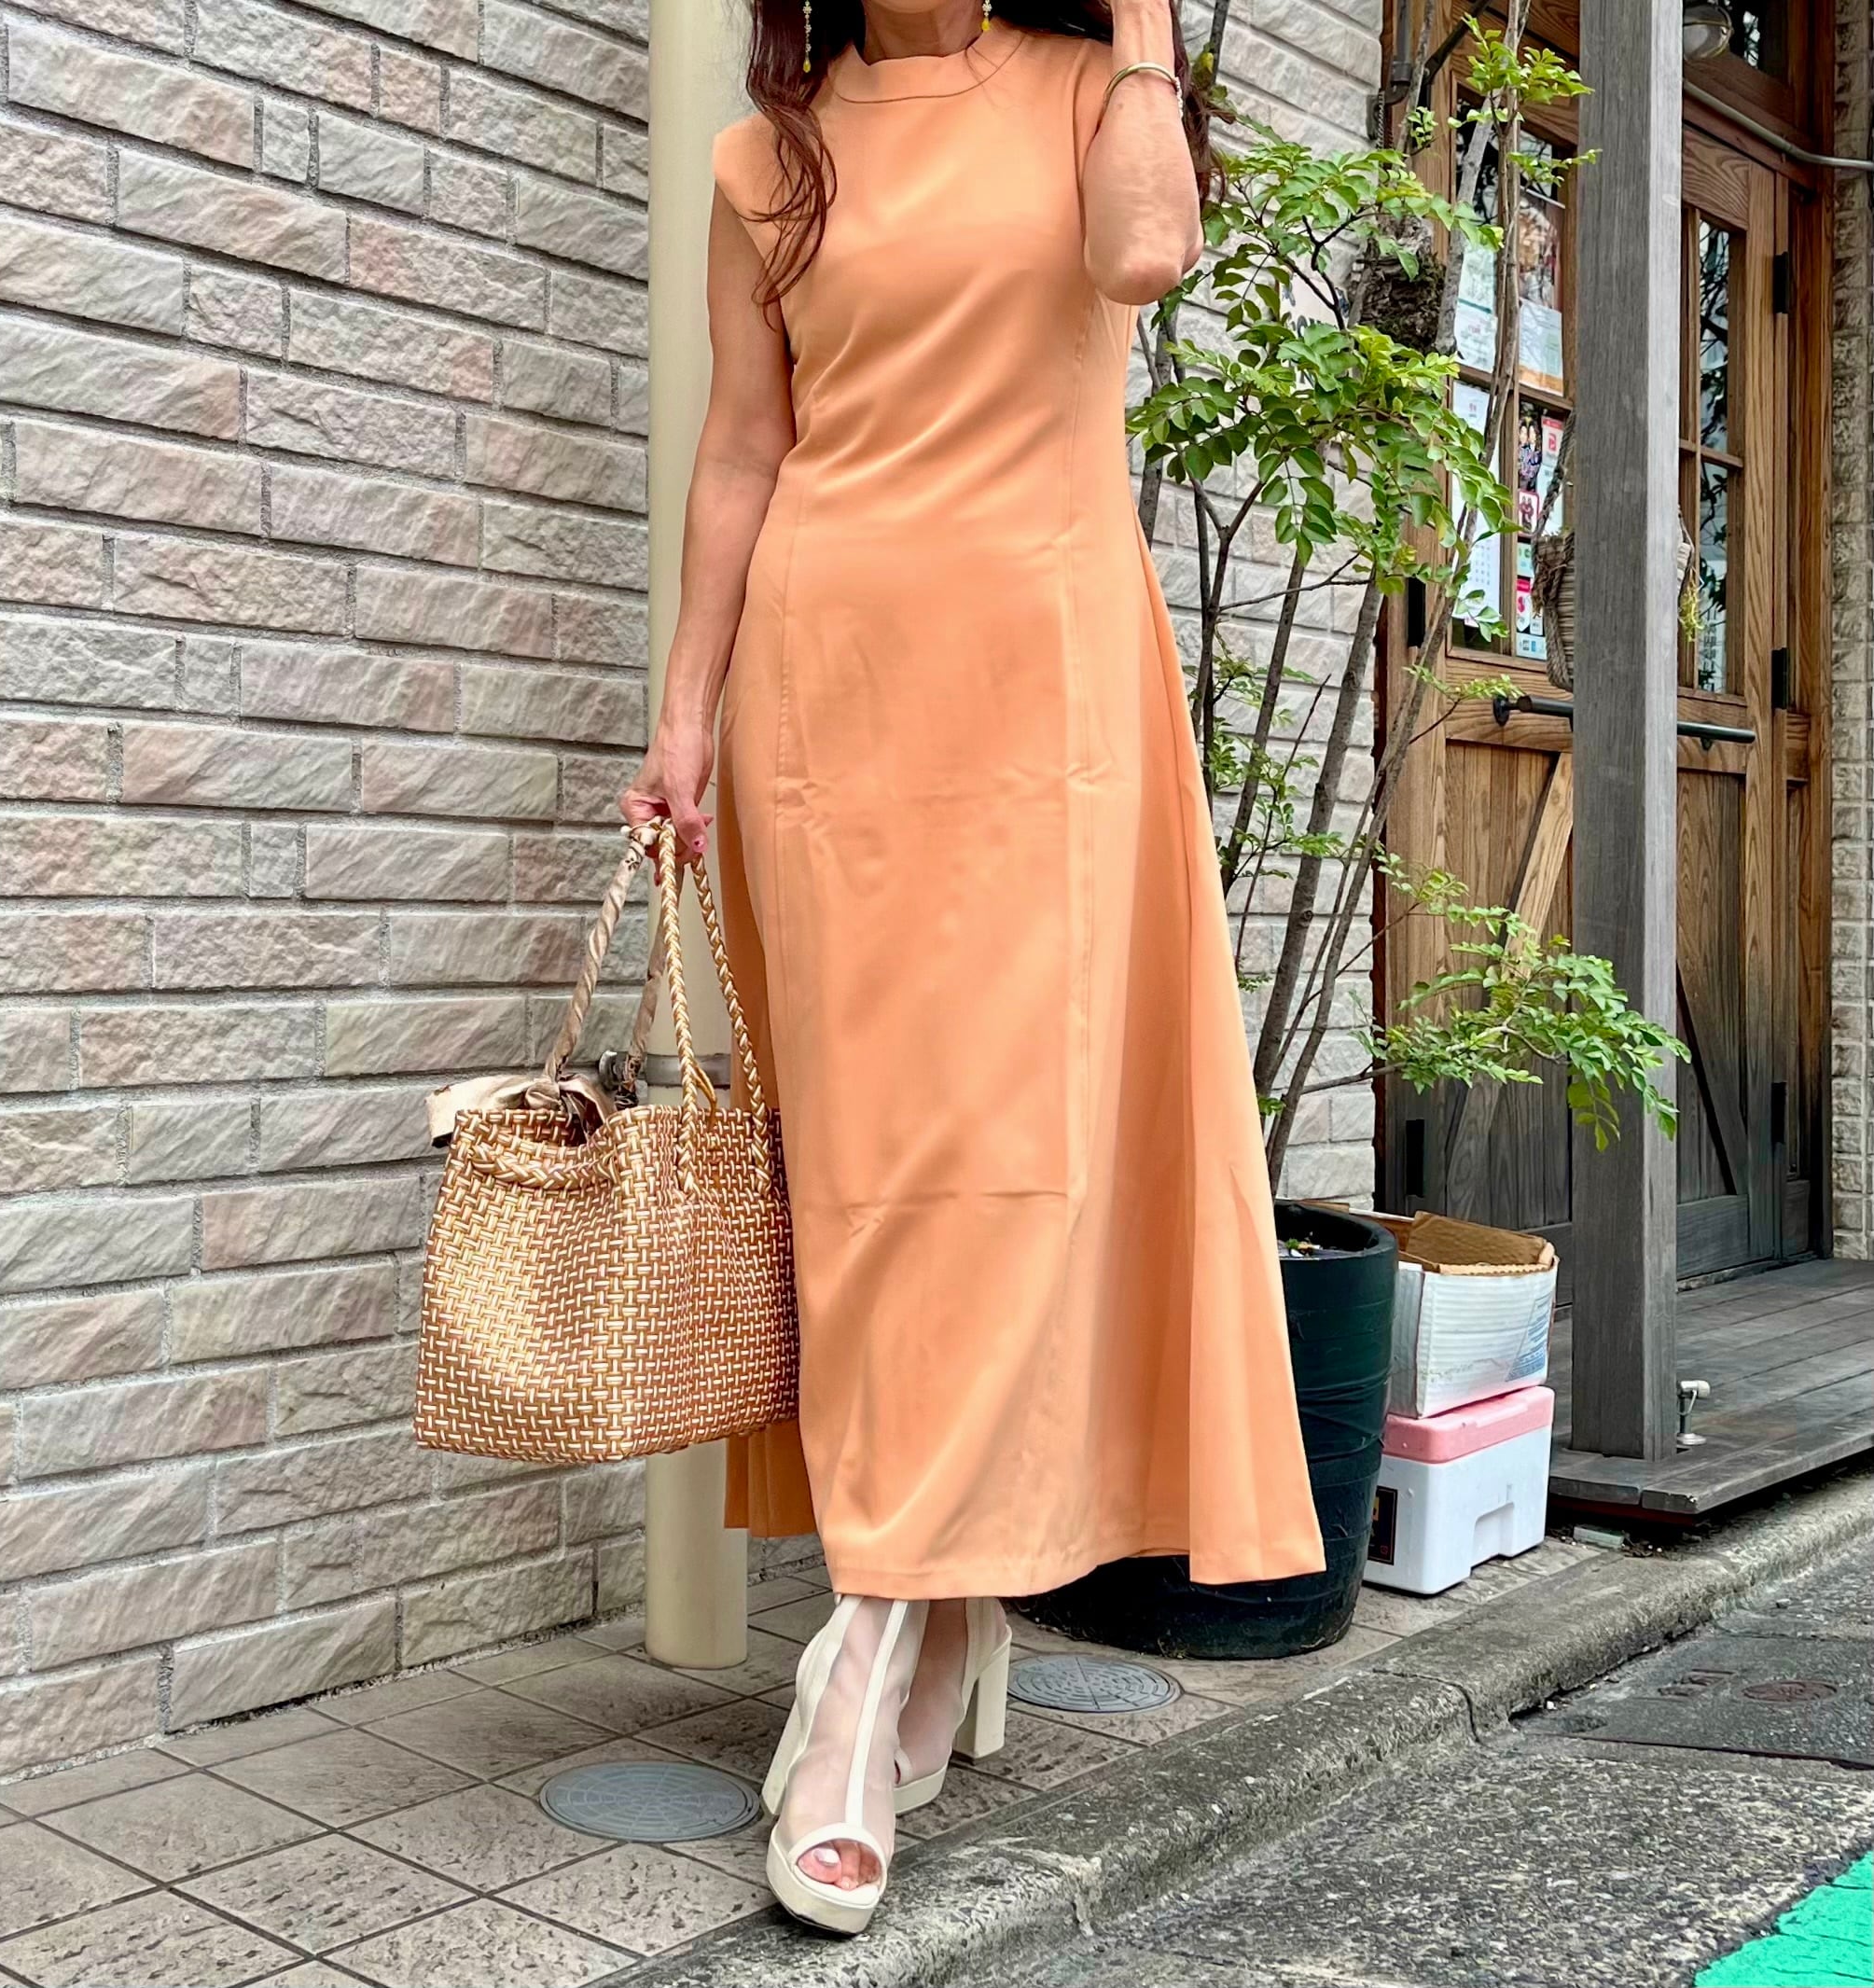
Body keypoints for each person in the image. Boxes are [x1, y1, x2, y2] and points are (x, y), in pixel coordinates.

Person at [619, 0, 1324, 1936]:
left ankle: (864, 1657)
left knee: (1018, 1160)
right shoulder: (768, 153)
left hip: (1050, 686)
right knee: (876, 1182)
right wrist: (683, 716)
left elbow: (1146, 253)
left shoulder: (1094, 95)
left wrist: (1142, 24)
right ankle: (918, 1611)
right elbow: (744, 450)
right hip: (832, 693)